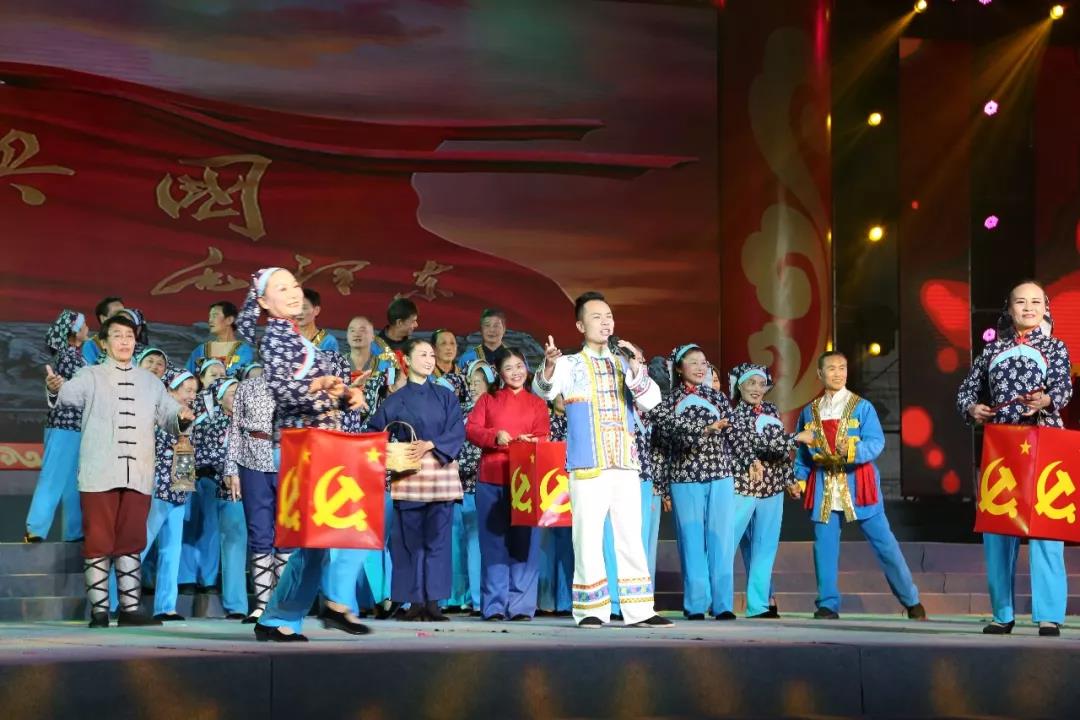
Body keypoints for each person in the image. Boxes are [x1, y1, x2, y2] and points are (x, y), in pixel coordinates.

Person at [239, 267, 368, 641]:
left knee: (315, 546)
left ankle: (277, 618)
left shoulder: (297, 338)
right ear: (264, 302)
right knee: (349, 518)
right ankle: (336, 602)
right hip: (303, 447)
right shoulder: (275, 338)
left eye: (294, 285)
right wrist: (321, 385)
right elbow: (283, 392)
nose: (294, 292)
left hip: (319, 443)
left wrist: (344, 395)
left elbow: (315, 393)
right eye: (282, 289)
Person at [532, 291, 672, 628]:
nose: (605, 322)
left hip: (625, 462)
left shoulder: (624, 362)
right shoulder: (569, 364)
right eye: (596, 317)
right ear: (581, 325)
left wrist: (637, 368)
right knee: (587, 537)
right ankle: (591, 610)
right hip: (587, 464)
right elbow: (544, 391)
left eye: (608, 316)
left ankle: (639, 609)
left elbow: (652, 401)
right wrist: (548, 366)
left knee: (631, 536)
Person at [45, 313, 193, 628]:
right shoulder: (90, 375)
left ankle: (129, 609)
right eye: (117, 335)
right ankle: (99, 611)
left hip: (138, 472)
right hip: (99, 473)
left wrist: (181, 417)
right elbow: (66, 396)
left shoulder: (150, 382)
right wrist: (55, 387)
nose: (125, 342)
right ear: (104, 342)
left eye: (129, 336)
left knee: (131, 540)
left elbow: (169, 415)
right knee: (98, 541)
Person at [956, 280, 1072, 637]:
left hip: (1044, 441)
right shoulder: (992, 350)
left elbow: (1064, 387)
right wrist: (972, 408)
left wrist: (1046, 400)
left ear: (1046, 308)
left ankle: (1049, 615)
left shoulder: (1055, 347)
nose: (1028, 308)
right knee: (998, 531)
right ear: (1008, 309)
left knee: (1046, 529)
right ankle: (1002, 614)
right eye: (1021, 302)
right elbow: (966, 391)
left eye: (1036, 302)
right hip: (1002, 444)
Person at [793, 351, 925, 621]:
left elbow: (876, 442)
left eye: (842, 367)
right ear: (820, 374)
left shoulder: (862, 407)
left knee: (885, 544)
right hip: (825, 485)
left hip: (859, 484)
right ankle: (827, 604)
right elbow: (802, 455)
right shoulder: (809, 411)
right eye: (832, 368)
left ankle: (911, 600)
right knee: (824, 548)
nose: (838, 373)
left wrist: (852, 450)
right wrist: (798, 479)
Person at [367, 338, 466, 622]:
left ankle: (433, 602)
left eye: (431, 355)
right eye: (422, 355)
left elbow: (458, 431)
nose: (429, 360)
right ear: (407, 361)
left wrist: (431, 444)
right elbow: (374, 432)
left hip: (440, 475)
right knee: (408, 543)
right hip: (409, 476)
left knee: (438, 541)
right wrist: (393, 449)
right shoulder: (394, 400)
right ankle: (413, 602)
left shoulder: (446, 396)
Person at [652, 344, 737, 620]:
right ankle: (696, 604)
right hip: (684, 475)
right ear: (679, 368)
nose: (701, 368)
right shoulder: (668, 402)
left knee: (721, 540)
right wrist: (661, 487)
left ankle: (723, 604)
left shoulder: (718, 397)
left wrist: (749, 462)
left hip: (720, 474)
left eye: (704, 363)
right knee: (691, 541)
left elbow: (733, 436)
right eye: (693, 362)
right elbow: (662, 445)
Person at [466, 349, 549, 621]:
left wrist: (532, 442)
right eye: (509, 368)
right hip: (492, 477)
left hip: (526, 478)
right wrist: (495, 436)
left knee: (525, 542)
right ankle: (494, 605)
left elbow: (544, 436)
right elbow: (472, 430)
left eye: (520, 366)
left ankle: (521, 606)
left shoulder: (537, 403)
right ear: (500, 373)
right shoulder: (488, 400)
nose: (516, 372)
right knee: (493, 543)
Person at [726, 363, 814, 619]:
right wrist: (795, 438)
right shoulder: (734, 415)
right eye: (751, 383)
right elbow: (758, 442)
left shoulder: (771, 410)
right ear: (739, 386)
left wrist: (789, 479)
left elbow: (779, 451)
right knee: (726, 544)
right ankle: (717, 600)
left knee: (765, 548)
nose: (757, 389)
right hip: (744, 486)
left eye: (761, 384)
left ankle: (758, 605)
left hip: (772, 488)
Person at [25, 310, 89, 543]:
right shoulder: (68, 357)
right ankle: (36, 528)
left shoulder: (77, 357)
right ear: (75, 331)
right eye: (84, 325)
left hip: (76, 428)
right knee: (53, 477)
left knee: (73, 482)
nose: (88, 328)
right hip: (64, 427)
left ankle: (74, 531)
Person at [224, 368, 283, 624]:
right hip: (252, 461)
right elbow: (235, 429)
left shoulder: (297, 387)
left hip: (288, 460)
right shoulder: (247, 387)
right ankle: (262, 604)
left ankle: (282, 602)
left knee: (286, 533)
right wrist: (231, 468)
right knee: (259, 531)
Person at [142, 368, 199, 620]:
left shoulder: (191, 416)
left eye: (194, 391)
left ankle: (166, 607)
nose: (192, 396)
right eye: (187, 390)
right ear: (170, 390)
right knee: (139, 546)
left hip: (179, 489)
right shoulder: (156, 413)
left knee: (172, 551)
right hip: (157, 487)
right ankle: (113, 601)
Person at [195, 377, 248, 620]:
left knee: (238, 545)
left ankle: (240, 605)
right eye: (232, 393)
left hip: (242, 491)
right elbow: (200, 454)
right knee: (214, 539)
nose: (238, 397)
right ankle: (212, 587)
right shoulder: (208, 422)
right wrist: (226, 467)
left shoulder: (250, 422)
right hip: (213, 487)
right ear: (219, 397)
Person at [536, 395, 573, 617]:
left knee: (568, 548)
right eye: (559, 393)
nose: (563, 398)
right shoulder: (544, 423)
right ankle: (545, 601)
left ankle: (566, 601)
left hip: (570, 493)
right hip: (546, 493)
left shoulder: (576, 422)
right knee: (546, 549)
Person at [185, 301, 256, 376]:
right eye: (210, 316)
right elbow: (186, 376)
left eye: (214, 315)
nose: (210, 320)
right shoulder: (200, 350)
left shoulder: (243, 350)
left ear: (229, 320)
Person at [82, 296, 124, 365]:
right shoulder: (91, 345)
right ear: (103, 318)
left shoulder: (130, 341)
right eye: (116, 314)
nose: (122, 318)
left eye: (123, 314)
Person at [298, 288, 339, 352]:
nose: (299, 312)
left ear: (316, 310)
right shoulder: (286, 337)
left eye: (304, 308)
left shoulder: (328, 341)